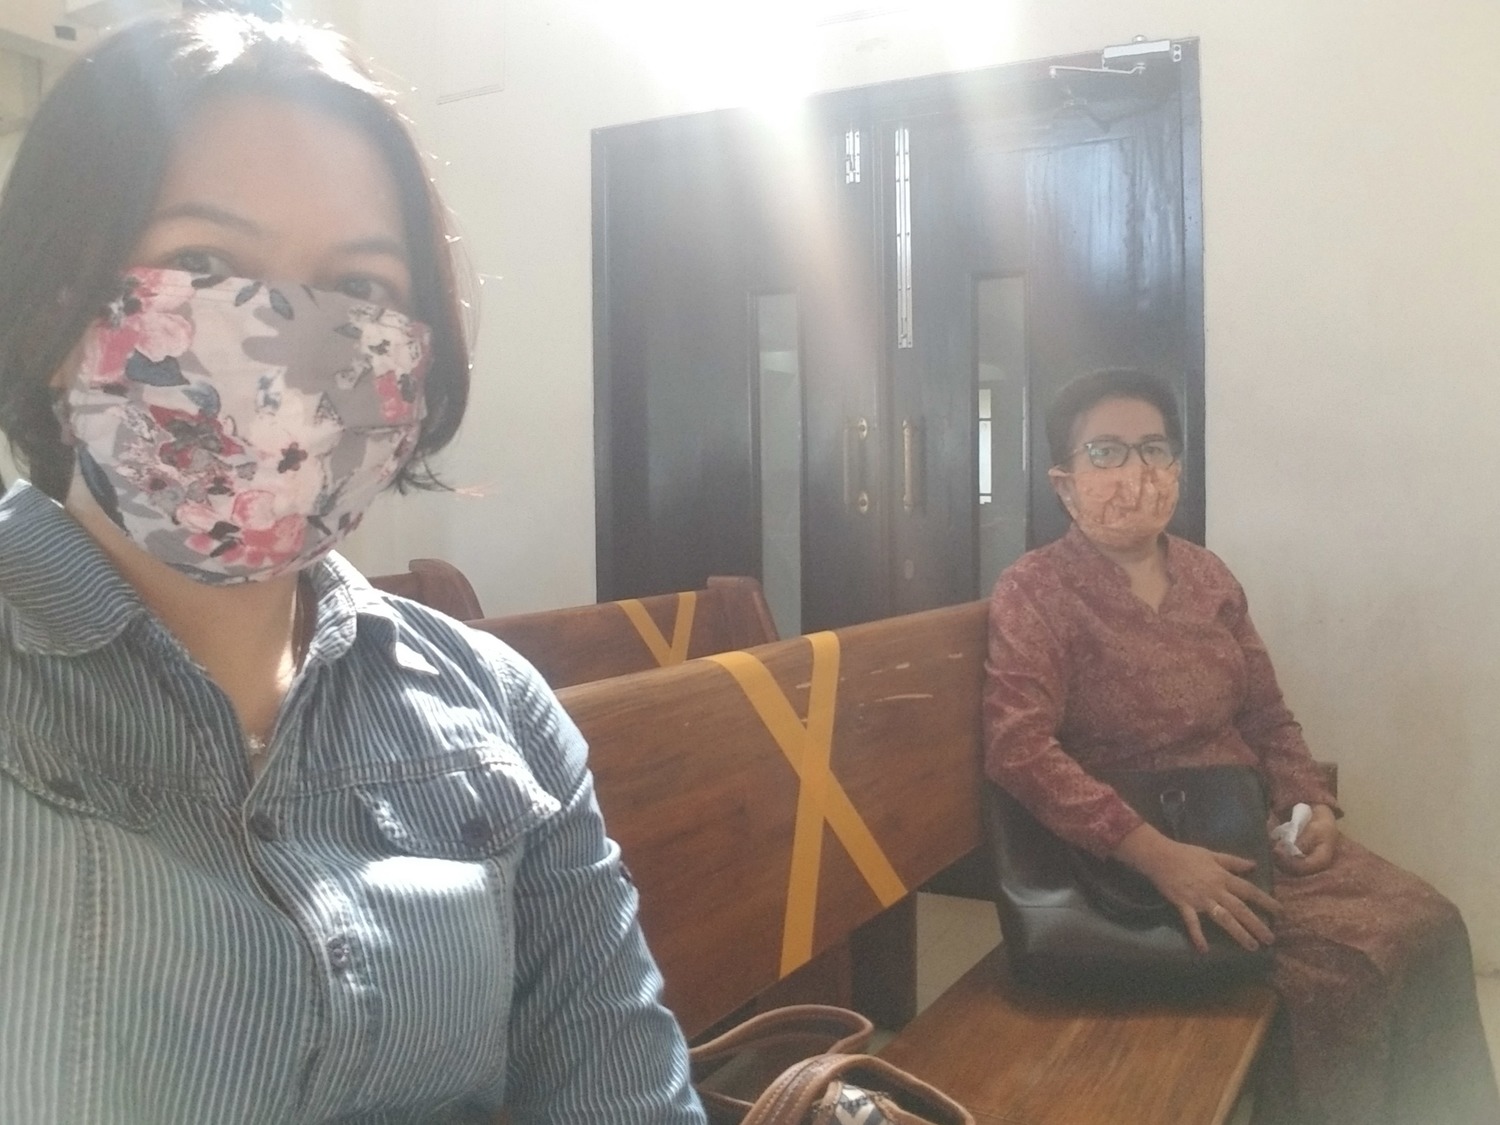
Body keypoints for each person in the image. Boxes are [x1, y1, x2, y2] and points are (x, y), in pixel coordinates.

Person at [0, 12, 704, 1124]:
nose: (286, 345)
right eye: (203, 262)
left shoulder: (501, 711)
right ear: (53, 305)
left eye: (360, 287)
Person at [984, 369, 1499, 1124]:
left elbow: (1267, 716)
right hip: (1123, 861)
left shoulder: (1208, 576)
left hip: (1239, 830)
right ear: (1065, 483)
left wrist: (1309, 802)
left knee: (1432, 923)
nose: (1137, 470)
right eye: (1107, 451)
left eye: (1154, 448)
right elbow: (1018, 748)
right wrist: (1158, 856)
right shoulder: (1035, 590)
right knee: (1351, 966)